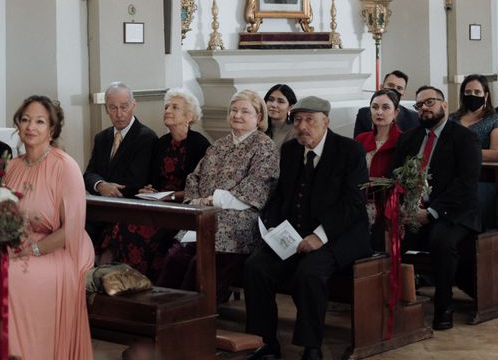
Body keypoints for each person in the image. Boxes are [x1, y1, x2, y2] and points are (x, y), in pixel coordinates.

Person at [244, 96, 371, 360]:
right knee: (257, 267)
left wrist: (320, 236)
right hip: (294, 234)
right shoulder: (290, 151)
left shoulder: (350, 151)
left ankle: (311, 346)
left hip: (339, 235)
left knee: (309, 272)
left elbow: (353, 204)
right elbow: (280, 197)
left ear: (326, 121)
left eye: (309, 120)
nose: (302, 126)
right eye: (298, 120)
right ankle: (264, 341)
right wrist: (274, 229)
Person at [156, 90, 279, 303]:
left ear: (259, 117)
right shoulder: (218, 145)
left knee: (201, 265)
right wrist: (197, 201)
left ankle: (191, 319)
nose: (237, 115)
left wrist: (213, 200)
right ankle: (160, 315)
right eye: (234, 110)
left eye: (245, 111)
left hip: (238, 226)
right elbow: (194, 177)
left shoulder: (265, 147)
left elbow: (257, 188)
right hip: (204, 218)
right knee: (175, 259)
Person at [4, 95, 94, 359]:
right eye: (25, 119)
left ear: (52, 130)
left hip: (61, 248)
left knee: (13, 278)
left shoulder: (65, 167)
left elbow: (72, 231)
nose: (31, 127)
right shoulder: (12, 166)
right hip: (18, 243)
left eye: (40, 121)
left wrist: (31, 249)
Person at [392, 86, 481, 330]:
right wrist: (403, 206)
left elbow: (466, 183)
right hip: (414, 210)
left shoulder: (464, 137)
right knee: (386, 237)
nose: (424, 108)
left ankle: (444, 307)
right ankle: (392, 302)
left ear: (444, 104)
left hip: (455, 212)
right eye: (419, 105)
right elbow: (396, 177)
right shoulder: (409, 138)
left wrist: (431, 212)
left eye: (430, 102)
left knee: (441, 241)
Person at [109, 88, 211, 281]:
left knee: (140, 230)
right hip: (159, 204)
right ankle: (130, 282)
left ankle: (149, 283)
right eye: (166, 106)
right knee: (122, 224)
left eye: (175, 107)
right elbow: (152, 179)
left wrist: (170, 196)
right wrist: (149, 189)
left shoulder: (200, 145)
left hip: (183, 208)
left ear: (189, 116)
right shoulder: (161, 143)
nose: (167, 110)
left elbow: (200, 189)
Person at [83, 82, 157, 244]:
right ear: (106, 109)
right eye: (113, 108)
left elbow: (136, 182)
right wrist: (101, 185)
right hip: (100, 207)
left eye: (124, 107)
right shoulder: (102, 137)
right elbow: (88, 174)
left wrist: (108, 189)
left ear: (133, 105)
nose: (119, 114)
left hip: (127, 208)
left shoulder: (146, 137)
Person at [451, 74, 498, 230]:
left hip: (482, 177)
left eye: (477, 92)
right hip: (451, 177)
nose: (472, 96)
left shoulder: (494, 120)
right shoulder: (452, 119)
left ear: (486, 95)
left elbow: (497, 154)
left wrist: (464, 155)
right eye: (468, 92)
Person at [355, 88, 402, 248]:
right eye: (375, 107)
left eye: (385, 107)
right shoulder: (361, 139)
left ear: (396, 112)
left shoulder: (403, 141)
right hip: (359, 203)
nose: (379, 112)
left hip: (387, 206)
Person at [353, 70, 420, 137]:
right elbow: (356, 145)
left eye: (399, 88)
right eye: (391, 85)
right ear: (381, 87)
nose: (394, 90)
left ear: (403, 94)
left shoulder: (414, 118)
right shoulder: (363, 114)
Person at [265, 83, 298, 149]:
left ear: (290, 107)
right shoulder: (259, 128)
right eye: (271, 100)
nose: (273, 105)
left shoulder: (295, 132)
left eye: (280, 101)